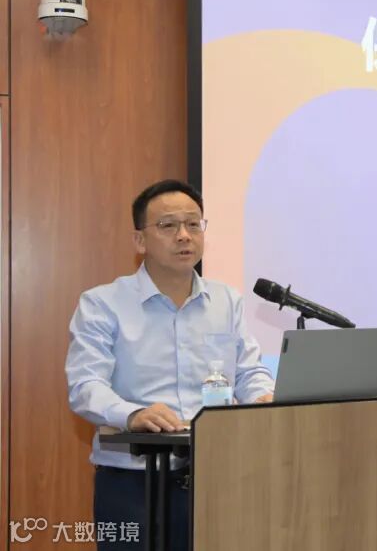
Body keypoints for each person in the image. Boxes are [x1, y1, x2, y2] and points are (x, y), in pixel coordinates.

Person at [65, 179, 274, 550]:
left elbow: (248, 371)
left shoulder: (227, 301)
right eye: (168, 226)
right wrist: (133, 414)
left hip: (217, 476)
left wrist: (262, 398)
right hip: (133, 484)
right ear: (140, 240)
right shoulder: (102, 304)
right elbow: (86, 386)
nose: (184, 236)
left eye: (194, 224)